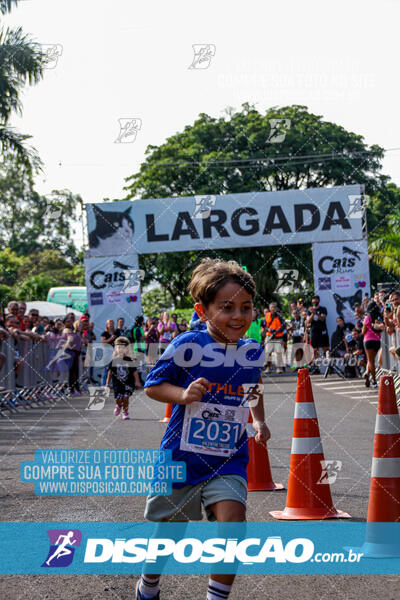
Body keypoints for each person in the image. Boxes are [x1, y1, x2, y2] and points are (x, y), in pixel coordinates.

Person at [137, 258, 270, 600]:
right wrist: (182, 395)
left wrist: (258, 419)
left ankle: (216, 597)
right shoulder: (187, 345)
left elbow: (251, 389)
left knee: (233, 523)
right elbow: (153, 385)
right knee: (170, 532)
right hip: (181, 456)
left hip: (229, 457)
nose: (238, 317)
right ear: (203, 309)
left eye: (246, 307)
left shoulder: (252, 352)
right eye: (227, 308)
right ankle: (149, 584)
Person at [106, 336, 142, 420]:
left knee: (126, 398)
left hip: (128, 383)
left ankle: (125, 412)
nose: (121, 349)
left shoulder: (129, 360)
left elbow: (134, 372)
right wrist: (107, 384)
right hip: (117, 384)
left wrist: (137, 381)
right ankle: (118, 405)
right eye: (119, 348)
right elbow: (110, 372)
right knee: (119, 399)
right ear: (116, 349)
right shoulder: (114, 361)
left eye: (123, 348)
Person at [362, 301, 385, 388]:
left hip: (368, 340)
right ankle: (367, 373)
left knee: (370, 360)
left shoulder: (368, 317)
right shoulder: (379, 316)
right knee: (371, 359)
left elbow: (363, 331)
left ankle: (374, 380)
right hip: (377, 340)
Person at [306, 295, 329, 374]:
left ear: (318, 300)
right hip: (314, 332)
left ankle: (329, 365)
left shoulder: (323, 309)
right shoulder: (309, 310)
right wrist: (312, 313)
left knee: (325, 348)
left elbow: (322, 318)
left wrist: (316, 313)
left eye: (316, 299)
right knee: (315, 350)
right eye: (313, 299)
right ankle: (317, 367)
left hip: (322, 331)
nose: (314, 301)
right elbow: (308, 321)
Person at [263, 302, 285, 373]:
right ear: (269, 308)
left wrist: (277, 331)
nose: (273, 309)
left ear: (276, 308)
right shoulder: (267, 315)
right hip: (269, 336)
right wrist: (269, 329)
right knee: (268, 353)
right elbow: (264, 325)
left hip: (278, 337)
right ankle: (268, 368)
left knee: (278, 353)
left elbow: (284, 325)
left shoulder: (280, 316)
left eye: (274, 307)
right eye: (272, 307)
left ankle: (279, 368)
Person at [100, 319, 117, 385]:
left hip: (114, 352)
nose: (111, 325)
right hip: (107, 352)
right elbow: (103, 342)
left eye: (112, 323)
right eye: (109, 323)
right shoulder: (104, 333)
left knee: (113, 370)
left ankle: (111, 384)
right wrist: (111, 338)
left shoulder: (115, 333)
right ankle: (103, 385)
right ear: (107, 325)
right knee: (105, 370)